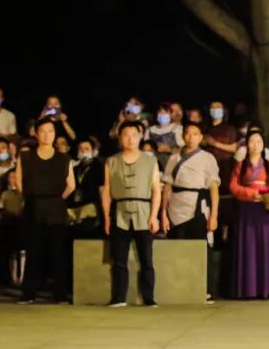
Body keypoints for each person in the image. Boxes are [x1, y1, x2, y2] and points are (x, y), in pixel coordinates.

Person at [16, 118, 76, 303]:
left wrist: (57, 199)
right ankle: (29, 293)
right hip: (33, 206)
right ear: (36, 133)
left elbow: (71, 185)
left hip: (56, 207)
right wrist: (32, 196)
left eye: (50, 131)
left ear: (55, 134)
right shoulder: (26, 157)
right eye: (42, 131)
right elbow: (19, 182)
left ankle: (59, 294)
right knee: (33, 251)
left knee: (57, 251)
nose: (46, 135)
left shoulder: (64, 158)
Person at [102, 121, 161, 307]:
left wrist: (154, 216)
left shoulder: (150, 161)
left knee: (146, 259)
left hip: (144, 211)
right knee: (119, 259)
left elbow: (156, 190)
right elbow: (106, 191)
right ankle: (119, 297)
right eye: (126, 135)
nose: (130, 138)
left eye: (134, 134)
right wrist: (106, 217)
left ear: (140, 137)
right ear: (120, 138)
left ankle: (149, 297)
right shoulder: (111, 161)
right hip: (120, 212)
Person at [229, 128, 269, 299]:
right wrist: (252, 193)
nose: (255, 145)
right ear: (247, 145)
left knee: (268, 248)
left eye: (259, 142)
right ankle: (248, 290)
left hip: (267, 210)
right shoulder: (241, 166)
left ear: (263, 145)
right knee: (248, 248)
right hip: (247, 210)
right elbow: (233, 186)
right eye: (252, 141)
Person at [162, 123, 220, 298]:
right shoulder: (174, 158)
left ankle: (205, 289)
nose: (191, 137)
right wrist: (163, 213)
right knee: (177, 248)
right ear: (183, 136)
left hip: (197, 205)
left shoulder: (208, 158)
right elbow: (167, 186)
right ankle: (178, 288)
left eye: (195, 134)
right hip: (175, 206)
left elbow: (213, 188)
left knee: (201, 248)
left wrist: (214, 216)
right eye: (187, 133)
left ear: (200, 137)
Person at [68, 140, 105, 237]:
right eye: (80, 149)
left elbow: (102, 190)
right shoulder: (74, 169)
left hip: (91, 210)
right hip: (74, 210)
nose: (83, 151)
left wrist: (103, 213)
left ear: (93, 151)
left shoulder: (99, 167)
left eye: (87, 149)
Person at [146, 103, 184, 168]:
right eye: (160, 112)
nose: (162, 115)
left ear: (171, 114)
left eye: (166, 112)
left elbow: (184, 149)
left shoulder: (178, 128)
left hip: (172, 165)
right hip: (152, 164)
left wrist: (170, 149)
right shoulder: (150, 130)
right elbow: (144, 148)